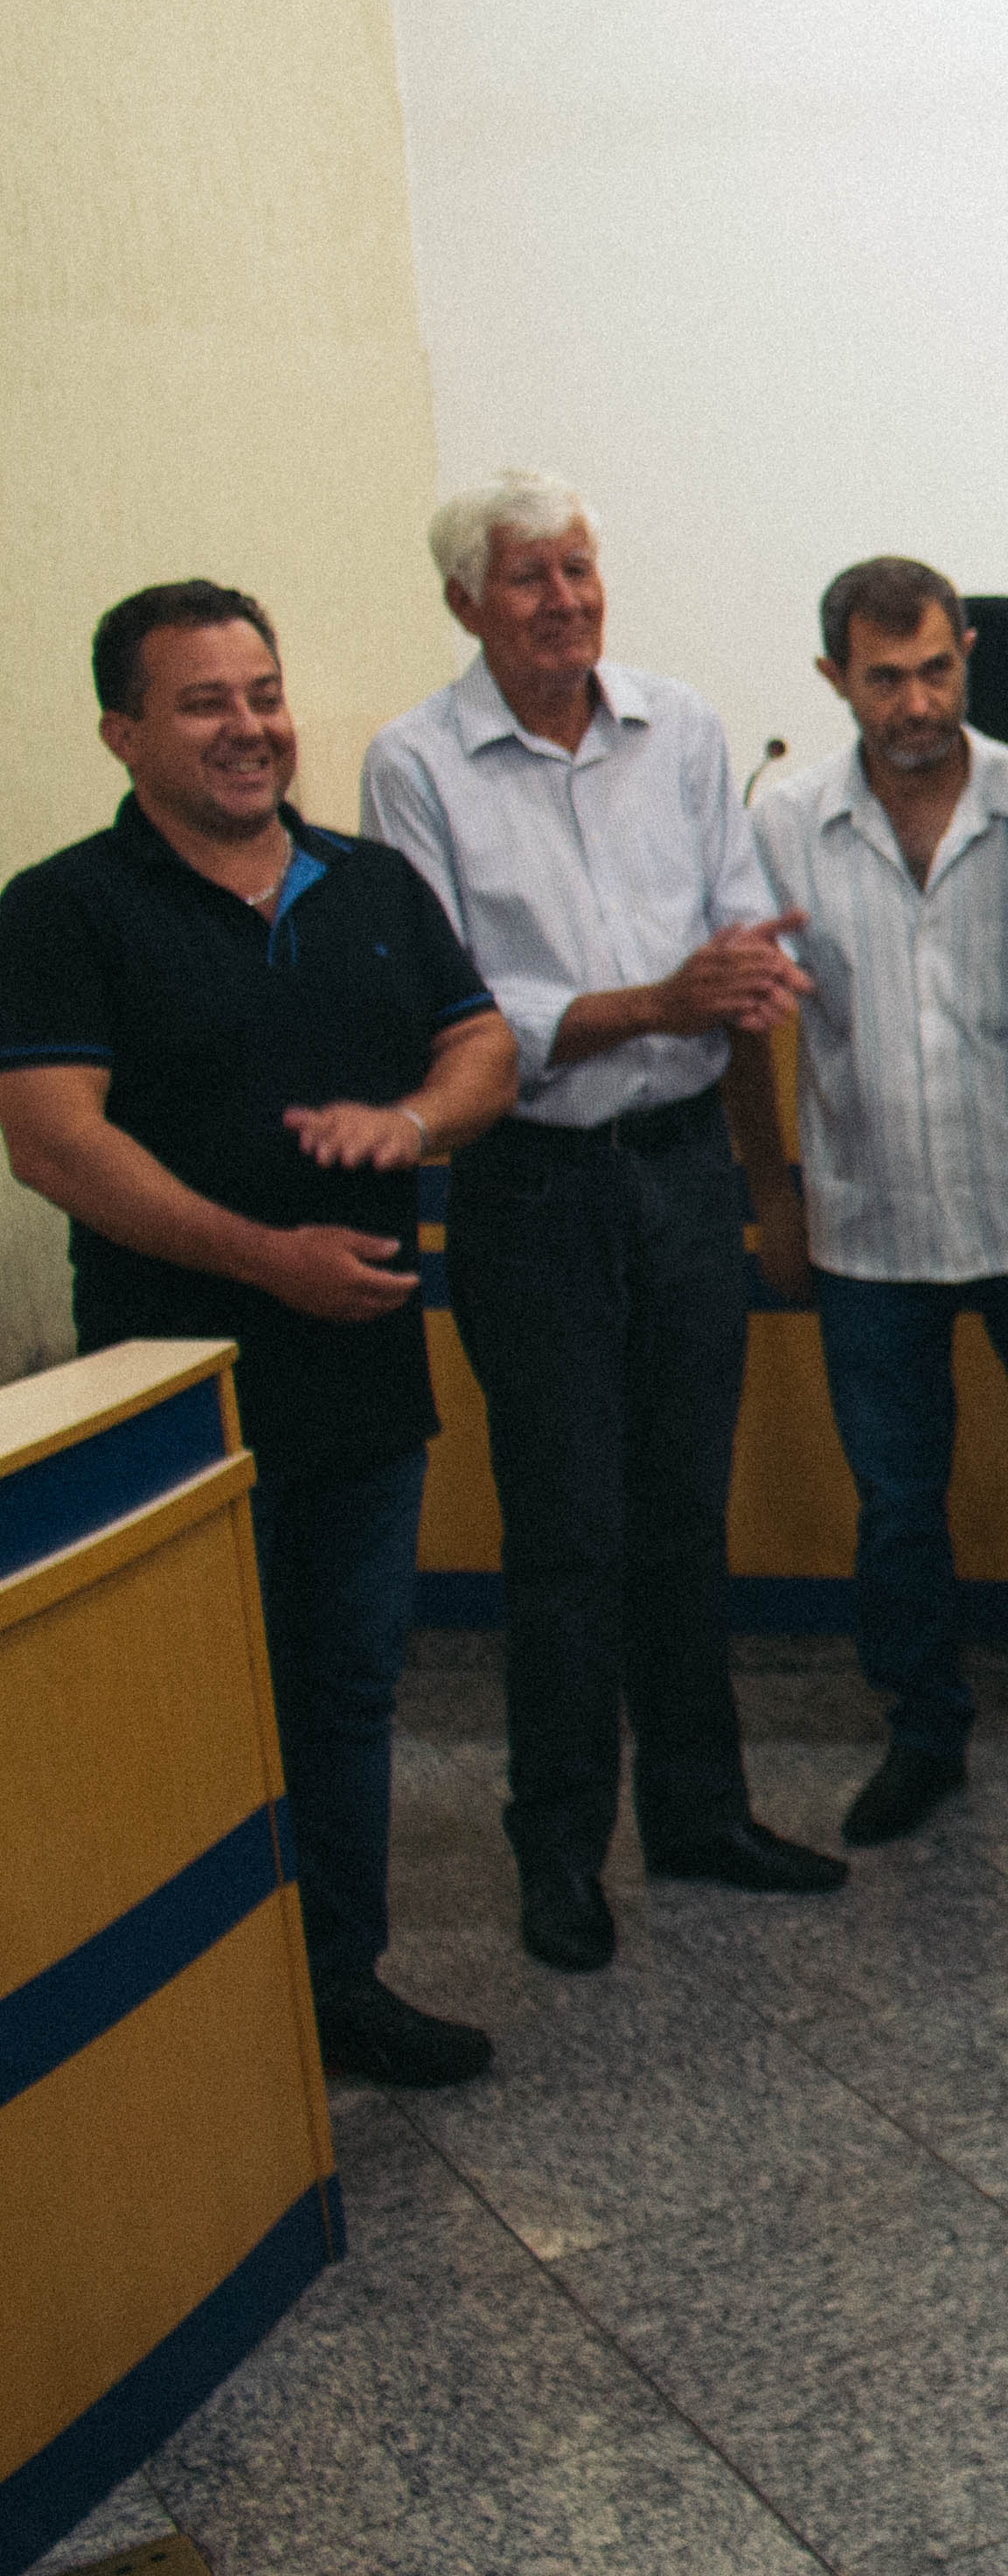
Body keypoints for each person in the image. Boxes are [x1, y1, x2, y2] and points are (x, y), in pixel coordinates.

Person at [0, 587, 522, 2086]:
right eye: (204, 702)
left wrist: (415, 1118)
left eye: (264, 693)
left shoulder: (367, 881)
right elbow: (54, 1143)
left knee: (348, 1691)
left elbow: (480, 1042)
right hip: (178, 1393)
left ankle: (334, 1982)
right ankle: (202, 2022)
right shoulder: (64, 908)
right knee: (196, 1712)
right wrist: (262, 1258)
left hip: (362, 1375)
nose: (250, 728)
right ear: (124, 731)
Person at [362, 472, 850, 1973]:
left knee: (681, 1515)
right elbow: (438, 999)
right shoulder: (416, 763)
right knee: (568, 1532)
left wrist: (751, 976)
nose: (564, 599)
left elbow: (732, 908)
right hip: (536, 1185)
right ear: (465, 603)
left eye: (579, 568)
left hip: (683, 1165)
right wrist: (655, 1001)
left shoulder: (682, 725)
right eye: (527, 579)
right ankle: (562, 1845)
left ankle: (701, 1812)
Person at [750, 559, 1008, 1848]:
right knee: (897, 1512)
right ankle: (925, 1733)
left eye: (936, 669)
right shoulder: (785, 823)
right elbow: (738, 1020)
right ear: (834, 680)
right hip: (870, 1226)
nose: (917, 702)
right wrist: (771, 1191)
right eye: (885, 679)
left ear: (968, 654)